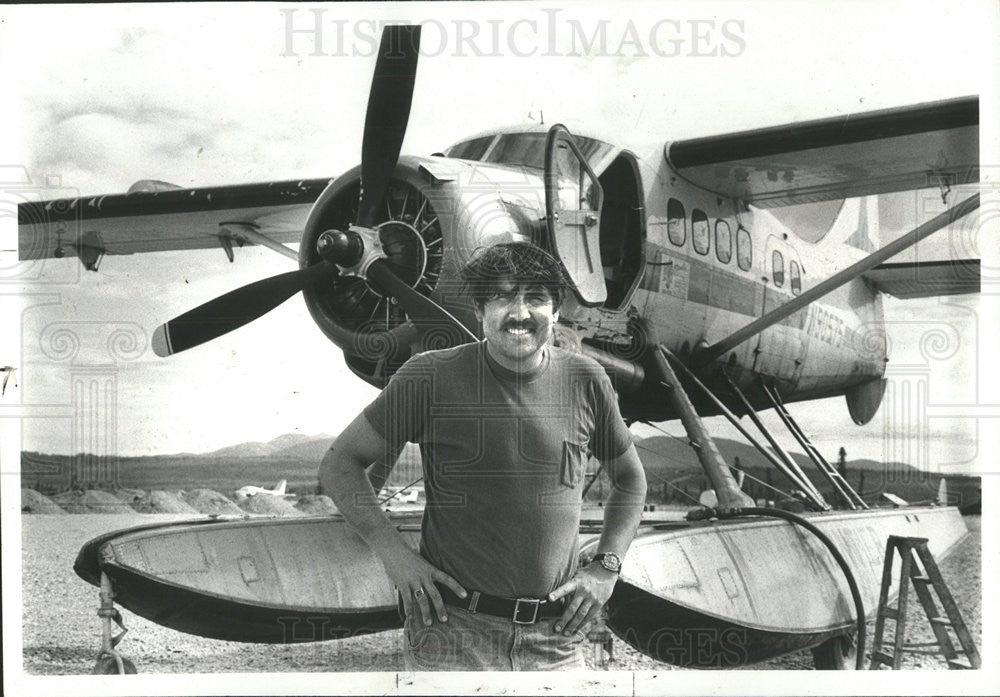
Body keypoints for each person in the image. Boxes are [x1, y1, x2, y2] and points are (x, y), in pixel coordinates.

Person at [321, 242, 647, 671]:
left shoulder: (586, 379)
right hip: (452, 634)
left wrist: (606, 567)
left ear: (556, 310)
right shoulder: (429, 376)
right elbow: (339, 465)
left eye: (535, 298)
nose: (519, 312)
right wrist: (395, 556)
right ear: (479, 310)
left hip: (555, 641)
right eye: (501, 297)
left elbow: (630, 480)